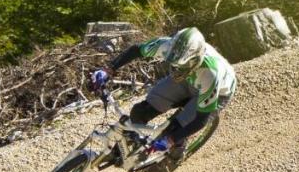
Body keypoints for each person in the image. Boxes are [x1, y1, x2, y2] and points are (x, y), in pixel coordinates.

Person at [92, 26, 236, 160]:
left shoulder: (210, 73)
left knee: (174, 131)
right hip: (188, 79)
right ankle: (132, 148)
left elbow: (201, 120)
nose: (176, 69)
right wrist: (108, 69)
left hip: (217, 90)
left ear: (195, 59)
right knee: (140, 112)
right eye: (174, 64)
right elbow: (136, 50)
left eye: (181, 66)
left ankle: (176, 155)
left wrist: (170, 140)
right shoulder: (168, 46)